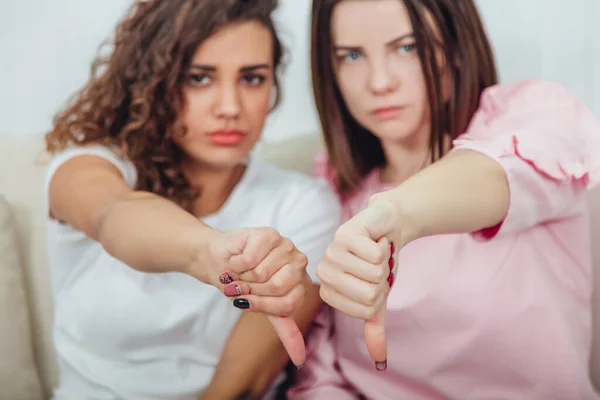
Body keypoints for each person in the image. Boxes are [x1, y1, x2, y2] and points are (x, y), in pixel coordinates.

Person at [288, 0, 600, 399]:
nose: (379, 82)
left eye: (408, 47)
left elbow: (501, 170)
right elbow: (321, 374)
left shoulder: (532, 115)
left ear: (456, 46)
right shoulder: (332, 186)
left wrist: (394, 211)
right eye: (351, 56)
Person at [43, 1, 341, 399]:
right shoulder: (86, 168)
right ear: (152, 81)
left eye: (252, 78)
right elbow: (115, 215)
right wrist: (211, 251)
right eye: (199, 78)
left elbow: (240, 386)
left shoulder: (303, 204)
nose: (230, 107)